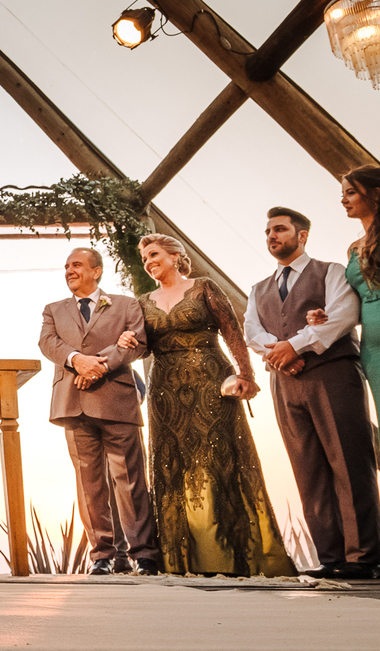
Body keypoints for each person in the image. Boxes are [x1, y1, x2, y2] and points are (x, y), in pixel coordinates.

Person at [122, 233, 294, 577]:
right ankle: (181, 561)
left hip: (212, 382)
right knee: (174, 466)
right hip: (165, 390)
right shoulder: (141, 301)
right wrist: (128, 341)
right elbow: (142, 347)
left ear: (175, 256)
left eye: (154, 254)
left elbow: (232, 330)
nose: (149, 261)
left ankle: (233, 557)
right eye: (144, 259)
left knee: (219, 461)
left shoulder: (203, 287)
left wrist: (245, 373)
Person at [244, 208, 380, 579]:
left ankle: (364, 558)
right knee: (308, 469)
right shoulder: (259, 289)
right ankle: (331, 556)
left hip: (333, 373)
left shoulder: (331, 271)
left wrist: (296, 346)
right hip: (285, 382)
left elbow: (343, 314)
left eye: (280, 229)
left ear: (301, 235)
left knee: (349, 463)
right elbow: (252, 333)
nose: (272, 235)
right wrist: (281, 354)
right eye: (268, 230)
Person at [39, 248, 159, 576]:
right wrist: (78, 360)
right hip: (72, 402)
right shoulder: (53, 310)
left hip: (116, 399)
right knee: (89, 482)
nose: (69, 271)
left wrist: (98, 365)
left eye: (76, 265)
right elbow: (48, 343)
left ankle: (144, 554)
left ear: (97, 271)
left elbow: (137, 342)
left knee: (130, 480)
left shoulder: (126, 305)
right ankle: (102, 555)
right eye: (66, 266)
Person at [333, 165, 380, 465]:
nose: (343, 200)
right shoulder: (353, 249)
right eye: (342, 194)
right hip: (374, 352)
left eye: (351, 192)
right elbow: (354, 301)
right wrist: (324, 316)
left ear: (376, 193)